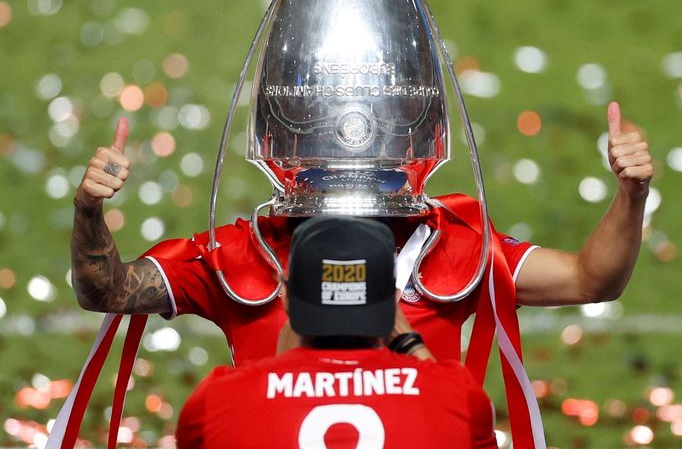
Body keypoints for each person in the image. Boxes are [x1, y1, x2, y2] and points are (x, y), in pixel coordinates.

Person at [71, 101, 653, 367]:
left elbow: (590, 278)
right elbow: (110, 291)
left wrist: (631, 195)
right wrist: (89, 212)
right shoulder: (240, 253)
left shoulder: (449, 243)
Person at [175, 216, 503, 449]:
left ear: (285, 294)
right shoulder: (451, 391)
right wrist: (411, 345)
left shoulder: (219, 397)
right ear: (392, 303)